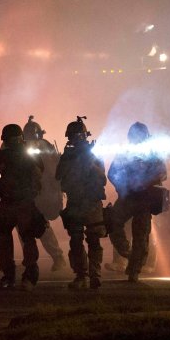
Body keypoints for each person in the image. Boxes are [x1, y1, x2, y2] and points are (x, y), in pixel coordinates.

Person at [107, 122, 167, 282]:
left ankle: (134, 270)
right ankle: (127, 252)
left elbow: (162, 173)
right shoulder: (125, 152)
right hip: (127, 197)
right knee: (112, 222)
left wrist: (144, 183)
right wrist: (122, 185)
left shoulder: (153, 153)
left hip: (144, 200)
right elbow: (112, 173)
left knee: (141, 235)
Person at [0, 123, 44, 291]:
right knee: (7, 238)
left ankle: (27, 275)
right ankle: (13, 275)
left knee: (26, 238)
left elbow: (38, 176)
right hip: (9, 202)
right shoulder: (4, 155)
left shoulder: (29, 155)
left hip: (23, 202)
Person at [56, 117, 107, 290]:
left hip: (88, 202)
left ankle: (92, 275)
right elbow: (59, 177)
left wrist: (87, 161)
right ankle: (85, 275)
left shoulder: (93, 156)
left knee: (91, 240)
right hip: (78, 203)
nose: (73, 141)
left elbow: (102, 178)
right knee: (78, 241)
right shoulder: (69, 156)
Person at [22, 116, 67, 272]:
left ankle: (58, 257)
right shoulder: (25, 148)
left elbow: (53, 171)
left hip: (44, 192)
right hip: (30, 192)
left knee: (41, 226)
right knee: (25, 228)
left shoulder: (44, 147)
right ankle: (31, 261)